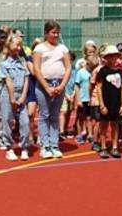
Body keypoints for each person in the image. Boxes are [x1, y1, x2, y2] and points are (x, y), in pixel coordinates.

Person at [33, 20, 71, 159]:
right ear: (46, 33)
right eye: (53, 32)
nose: (56, 35)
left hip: (59, 84)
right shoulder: (39, 48)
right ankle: (45, 145)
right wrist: (46, 86)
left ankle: (54, 144)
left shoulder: (63, 48)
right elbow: (36, 68)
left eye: (57, 32)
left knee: (55, 115)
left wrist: (61, 86)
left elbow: (68, 68)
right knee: (44, 115)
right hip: (44, 85)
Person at [0, 33, 32, 161]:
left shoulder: (23, 61)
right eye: (17, 45)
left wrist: (23, 96)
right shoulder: (4, 63)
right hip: (8, 95)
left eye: (20, 45)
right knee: (7, 120)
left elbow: (26, 79)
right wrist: (13, 98)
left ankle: (24, 147)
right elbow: (8, 82)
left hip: (21, 94)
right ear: (9, 45)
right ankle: (9, 148)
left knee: (24, 121)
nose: (19, 48)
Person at [95, 45, 122, 159]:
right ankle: (103, 147)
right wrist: (102, 104)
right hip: (106, 103)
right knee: (103, 126)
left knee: (115, 126)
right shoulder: (102, 72)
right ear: (106, 58)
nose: (113, 59)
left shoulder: (120, 72)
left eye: (115, 57)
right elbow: (99, 88)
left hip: (116, 104)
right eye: (110, 57)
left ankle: (114, 147)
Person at [74, 55, 97, 144]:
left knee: (89, 118)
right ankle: (79, 135)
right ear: (87, 64)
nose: (92, 68)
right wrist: (78, 99)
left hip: (90, 99)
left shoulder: (94, 72)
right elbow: (76, 86)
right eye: (91, 66)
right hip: (83, 99)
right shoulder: (81, 72)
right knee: (80, 118)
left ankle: (90, 134)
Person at [60, 50, 78, 140]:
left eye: (70, 59)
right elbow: (61, 83)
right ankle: (61, 131)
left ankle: (66, 129)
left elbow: (76, 83)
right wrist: (66, 95)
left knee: (69, 112)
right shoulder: (62, 70)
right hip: (63, 93)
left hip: (72, 94)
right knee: (63, 111)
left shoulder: (75, 70)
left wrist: (73, 94)